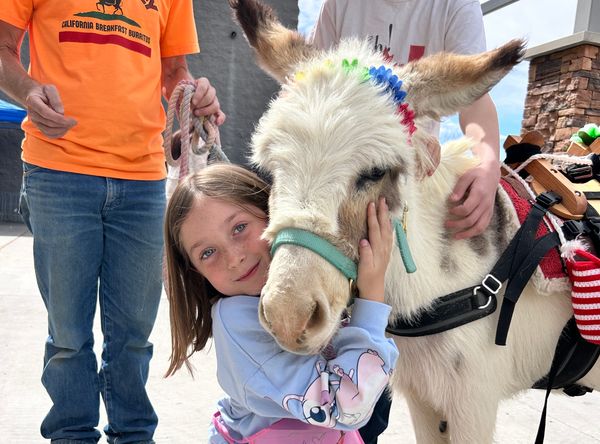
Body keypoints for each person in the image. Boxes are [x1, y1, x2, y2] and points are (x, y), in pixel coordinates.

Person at [0, 1, 225, 442]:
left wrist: (194, 94)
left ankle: (133, 434)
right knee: (68, 334)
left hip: (142, 177)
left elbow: (173, 70)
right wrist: (28, 90)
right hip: (58, 170)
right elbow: (3, 48)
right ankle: (72, 434)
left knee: (134, 335)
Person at [309, 0, 501, 441]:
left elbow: (474, 96)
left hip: (407, 192)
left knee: (382, 355)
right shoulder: (340, 5)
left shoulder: (454, 6)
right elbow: (311, 88)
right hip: (336, 194)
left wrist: (488, 161)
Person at [164, 163, 399, 443]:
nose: (234, 258)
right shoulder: (234, 319)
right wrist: (371, 299)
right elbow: (345, 406)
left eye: (239, 228)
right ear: (195, 271)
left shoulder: (313, 283)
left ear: (274, 211)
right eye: (208, 252)